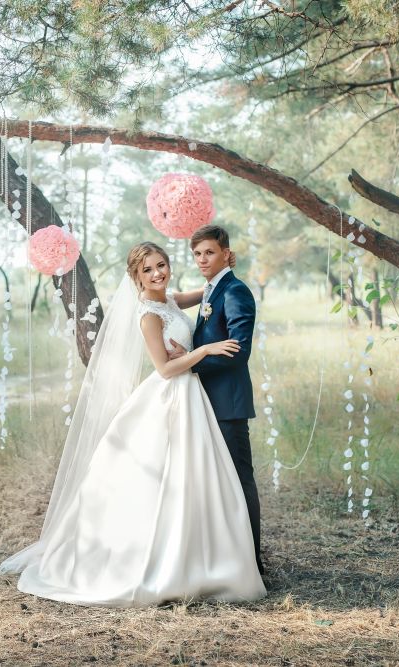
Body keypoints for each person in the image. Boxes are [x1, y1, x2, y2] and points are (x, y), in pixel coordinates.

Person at [0, 241, 266, 607]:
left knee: (194, 478)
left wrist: (222, 269)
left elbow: (207, 292)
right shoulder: (149, 315)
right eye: (148, 270)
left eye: (162, 265)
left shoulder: (168, 300)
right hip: (171, 393)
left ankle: (204, 554)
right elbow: (165, 368)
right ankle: (156, 559)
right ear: (136, 276)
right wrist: (203, 350)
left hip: (192, 397)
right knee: (161, 478)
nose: (157, 273)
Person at [170, 224, 264, 574]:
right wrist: (192, 353)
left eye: (209, 252)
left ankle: (253, 561)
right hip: (204, 401)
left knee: (240, 479)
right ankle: (225, 557)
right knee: (212, 482)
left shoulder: (236, 292)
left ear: (226, 252)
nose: (202, 260)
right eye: (196, 254)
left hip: (227, 403)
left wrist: (192, 363)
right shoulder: (211, 290)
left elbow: (237, 352)